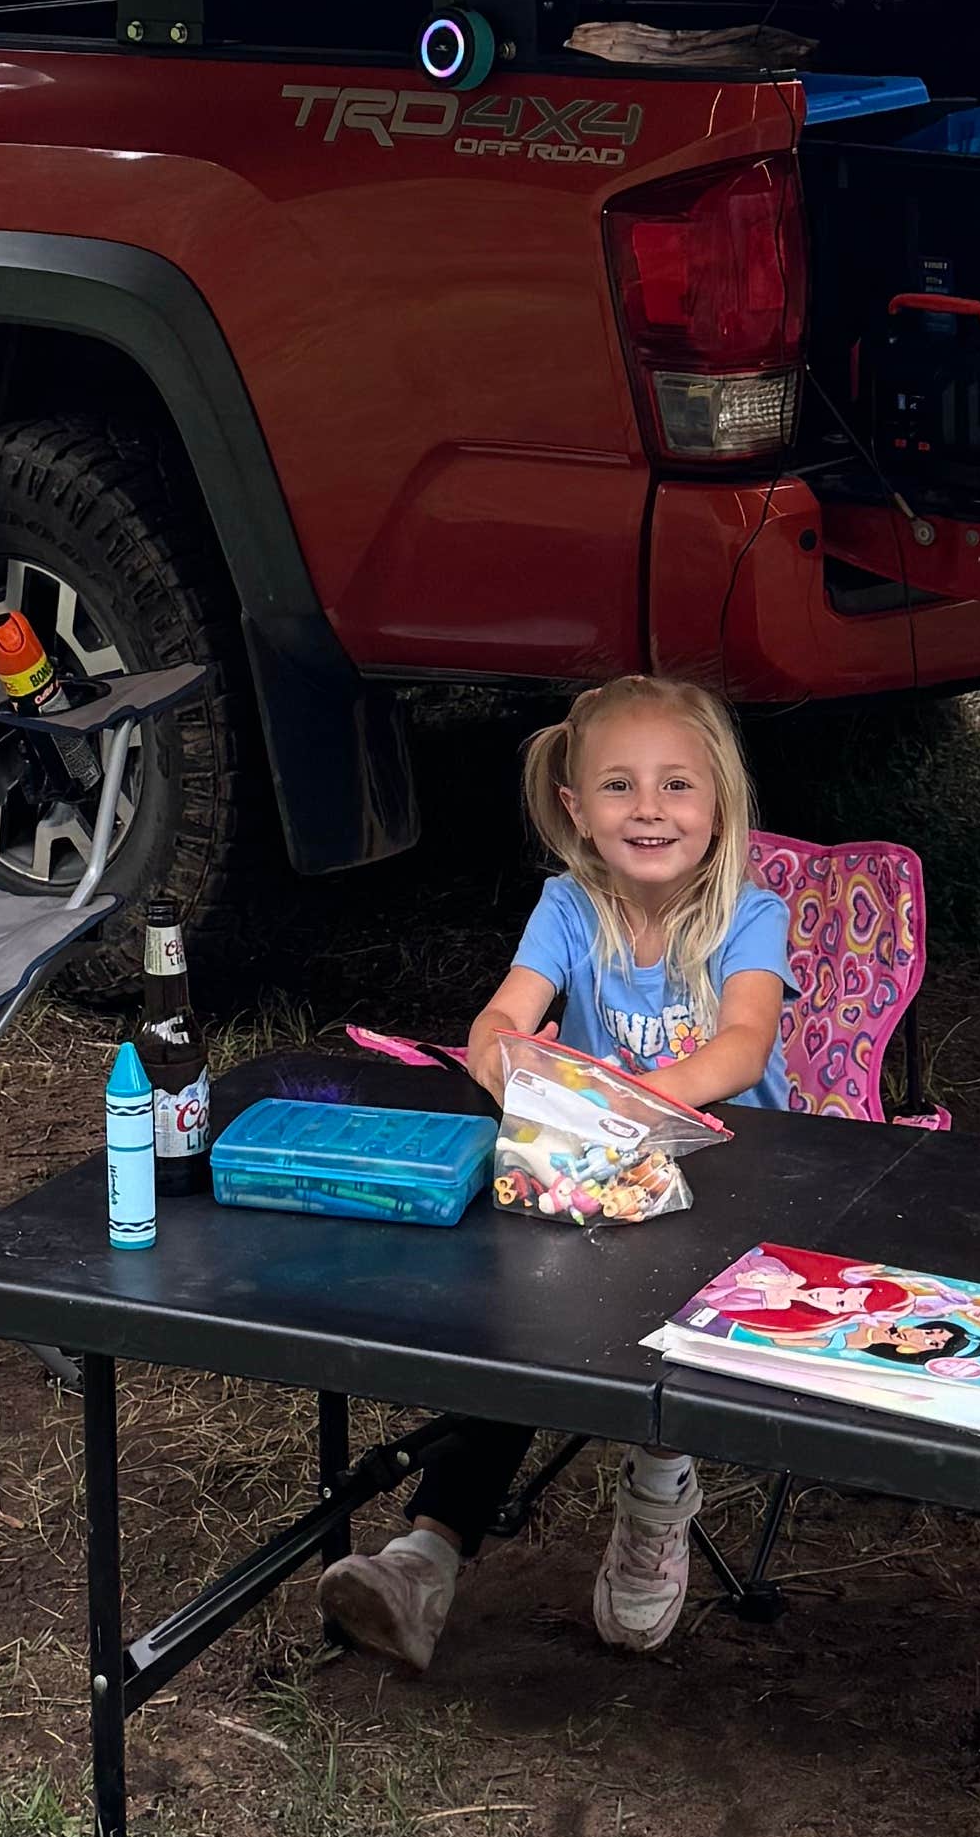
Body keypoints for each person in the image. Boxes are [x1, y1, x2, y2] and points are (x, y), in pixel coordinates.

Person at [319, 676, 789, 1676]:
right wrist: (507, 1062)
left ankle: (660, 1495)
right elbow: (501, 1019)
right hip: (603, 1178)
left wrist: (630, 1105)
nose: (650, 809)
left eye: (676, 785)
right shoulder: (570, 909)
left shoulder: (751, 915)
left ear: (719, 805)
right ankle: (425, 1556)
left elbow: (744, 1049)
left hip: (734, 1183)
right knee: (529, 1324)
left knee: (669, 1317)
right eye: (619, 786)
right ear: (576, 807)